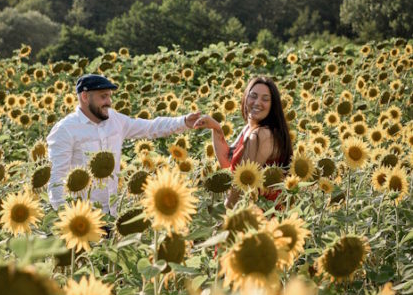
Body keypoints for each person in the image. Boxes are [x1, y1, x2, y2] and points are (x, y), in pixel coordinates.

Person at [47, 74, 201, 214]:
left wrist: (184, 121)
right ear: (85, 97)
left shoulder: (115, 120)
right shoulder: (65, 130)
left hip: (113, 213)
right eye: (103, 97)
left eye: (109, 96)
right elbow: (56, 180)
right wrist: (68, 218)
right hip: (83, 217)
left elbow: (150, 127)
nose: (109, 102)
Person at [193, 76, 293, 207]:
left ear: (273, 105)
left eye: (265, 99)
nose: (257, 102)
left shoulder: (261, 135)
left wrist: (229, 211)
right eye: (253, 96)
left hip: (262, 216)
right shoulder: (250, 128)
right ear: (245, 98)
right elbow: (229, 163)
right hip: (249, 210)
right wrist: (216, 129)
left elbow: (243, 182)